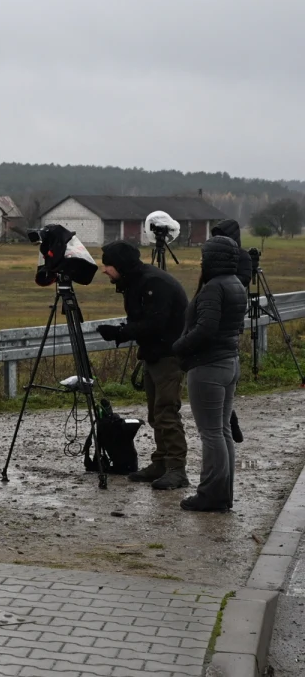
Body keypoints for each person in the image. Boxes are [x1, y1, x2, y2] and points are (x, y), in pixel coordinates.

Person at [96, 240, 189, 489]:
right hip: (155, 354)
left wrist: (120, 333)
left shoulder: (153, 283)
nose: (104, 270)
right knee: (155, 413)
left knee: (166, 412)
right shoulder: (137, 281)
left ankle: (177, 469)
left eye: (108, 265)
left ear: (121, 265)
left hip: (169, 355)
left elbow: (155, 324)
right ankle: (160, 463)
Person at [173, 235, 247, 512]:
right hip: (229, 362)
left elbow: (206, 328)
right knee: (223, 431)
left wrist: (177, 348)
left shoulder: (214, 287)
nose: (201, 261)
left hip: (208, 367)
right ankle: (222, 493)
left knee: (211, 433)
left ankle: (210, 495)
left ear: (213, 259)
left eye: (204, 256)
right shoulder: (236, 283)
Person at [211, 219, 249, 443]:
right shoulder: (215, 255)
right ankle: (229, 415)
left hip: (231, 320)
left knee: (226, 370)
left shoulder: (242, 257)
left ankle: (229, 416)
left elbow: (243, 280)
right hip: (215, 313)